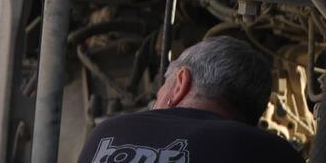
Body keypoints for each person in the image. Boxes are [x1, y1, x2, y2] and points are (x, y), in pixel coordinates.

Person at [76, 36, 302, 162]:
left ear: (180, 84)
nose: (157, 97)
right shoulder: (273, 154)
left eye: (163, 85)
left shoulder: (108, 133)